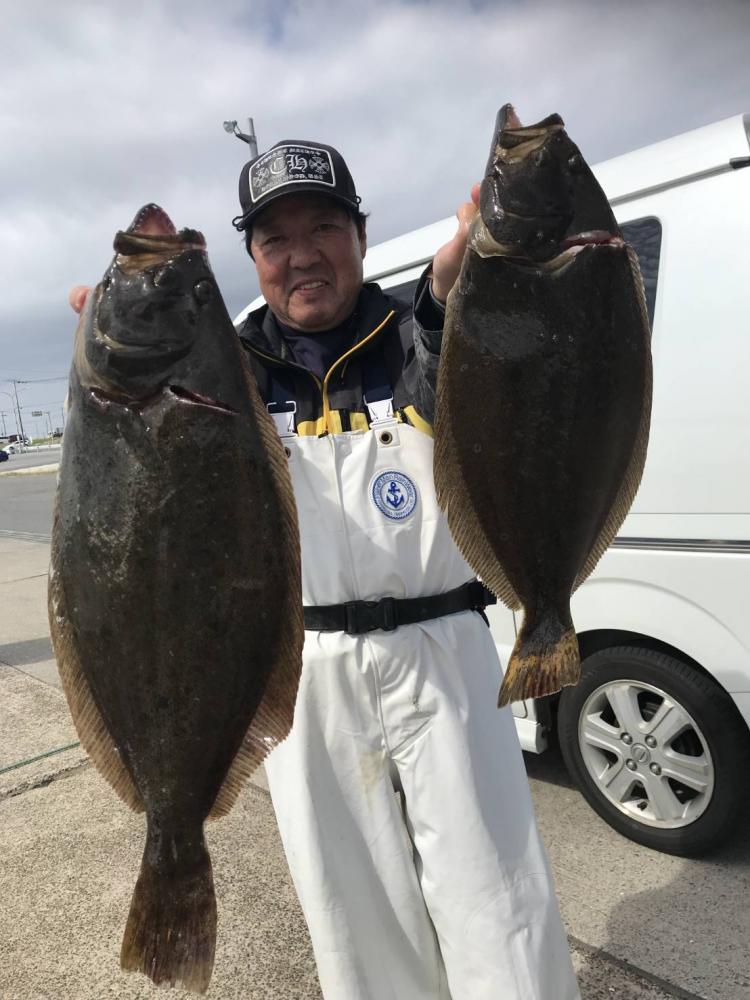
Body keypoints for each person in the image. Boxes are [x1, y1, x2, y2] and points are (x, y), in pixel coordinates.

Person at [70, 138, 580, 1000]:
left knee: (500, 903)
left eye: (324, 228)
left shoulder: (425, 334)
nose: (302, 254)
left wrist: (468, 283)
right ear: (253, 258)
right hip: (302, 675)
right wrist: (115, 359)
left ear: (360, 236)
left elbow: (482, 368)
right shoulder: (221, 369)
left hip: (446, 657)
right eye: (276, 239)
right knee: (354, 921)